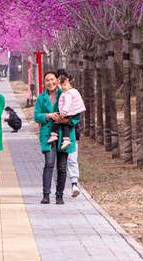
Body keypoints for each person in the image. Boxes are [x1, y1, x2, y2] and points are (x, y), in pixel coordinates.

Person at [34, 70, 80, 205]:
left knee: (62, 166)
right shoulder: (41, 98)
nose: (50, 82)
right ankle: (46, 195)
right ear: (44, 83)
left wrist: (65, 121)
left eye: (52, 79)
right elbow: (37, 115)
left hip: (64, 135)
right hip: (48, 135)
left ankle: (59, 195)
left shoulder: (67, 94)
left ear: (57, 80)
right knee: (49, 163)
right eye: (47, 80)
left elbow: (76, 116)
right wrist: (48, 115)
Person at [56, 68, 82, 197]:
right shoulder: (56, 96)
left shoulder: (72, 94)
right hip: (56, 134)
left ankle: (74, 184)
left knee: (72, 159)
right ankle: (58, 189)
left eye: (63, 81)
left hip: (72, 133)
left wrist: (66, 121)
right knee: (57, 163)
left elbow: (77, 117)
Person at [48, 71, 85, 149]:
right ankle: (57, 136)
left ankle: (56, 135)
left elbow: (75, 117)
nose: (63, 87)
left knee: (72, 160)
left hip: (72, 129)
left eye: (64, 84)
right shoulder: (66, 92)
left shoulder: (68, 93)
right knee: (60, 122)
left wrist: (63, 115)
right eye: (61, 85)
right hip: (67, 118)